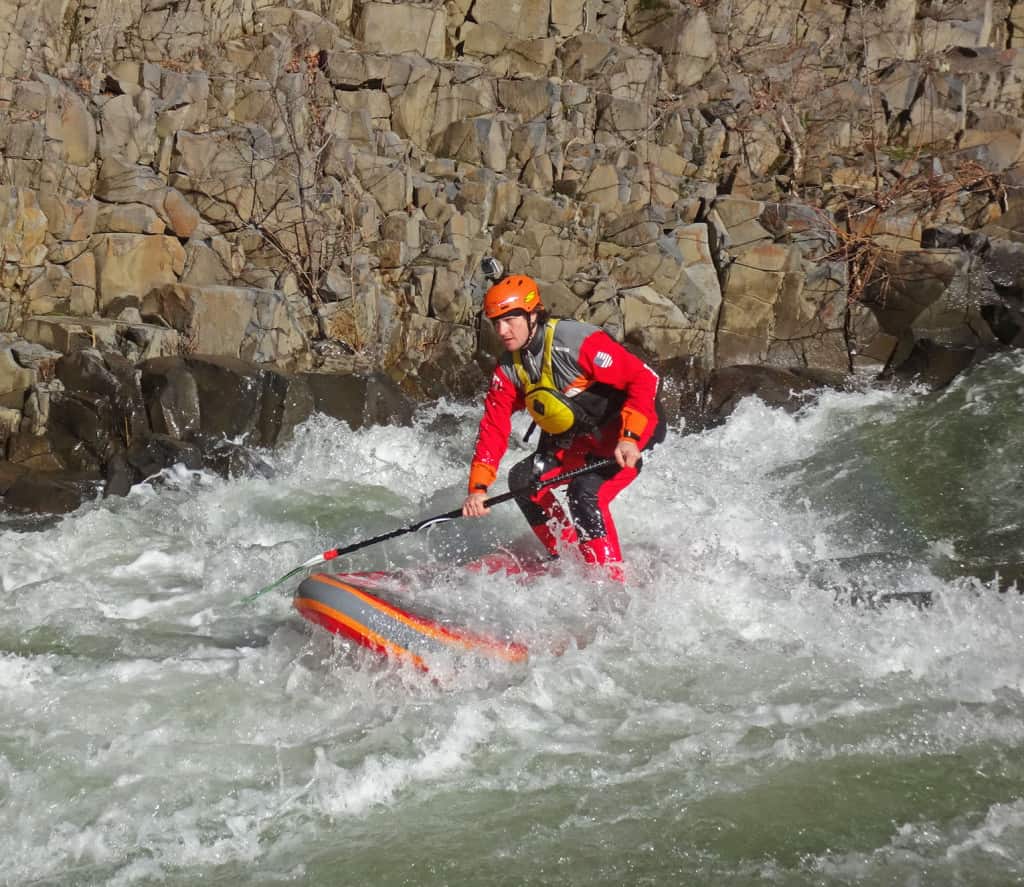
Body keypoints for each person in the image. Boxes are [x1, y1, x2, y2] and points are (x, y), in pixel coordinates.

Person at [462, 273, 664, 580]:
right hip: (581, 441)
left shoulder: (576, 342)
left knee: (585, 493)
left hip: (629, 433)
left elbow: (644, 378)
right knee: (523, 480)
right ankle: (568, 557)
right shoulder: (509, 369)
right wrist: (477, 489)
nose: (502, 330)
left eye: (510, 320)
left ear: (533, 314)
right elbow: (493, 427)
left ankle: (610, 582)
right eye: (496, 322)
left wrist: (630, 438)